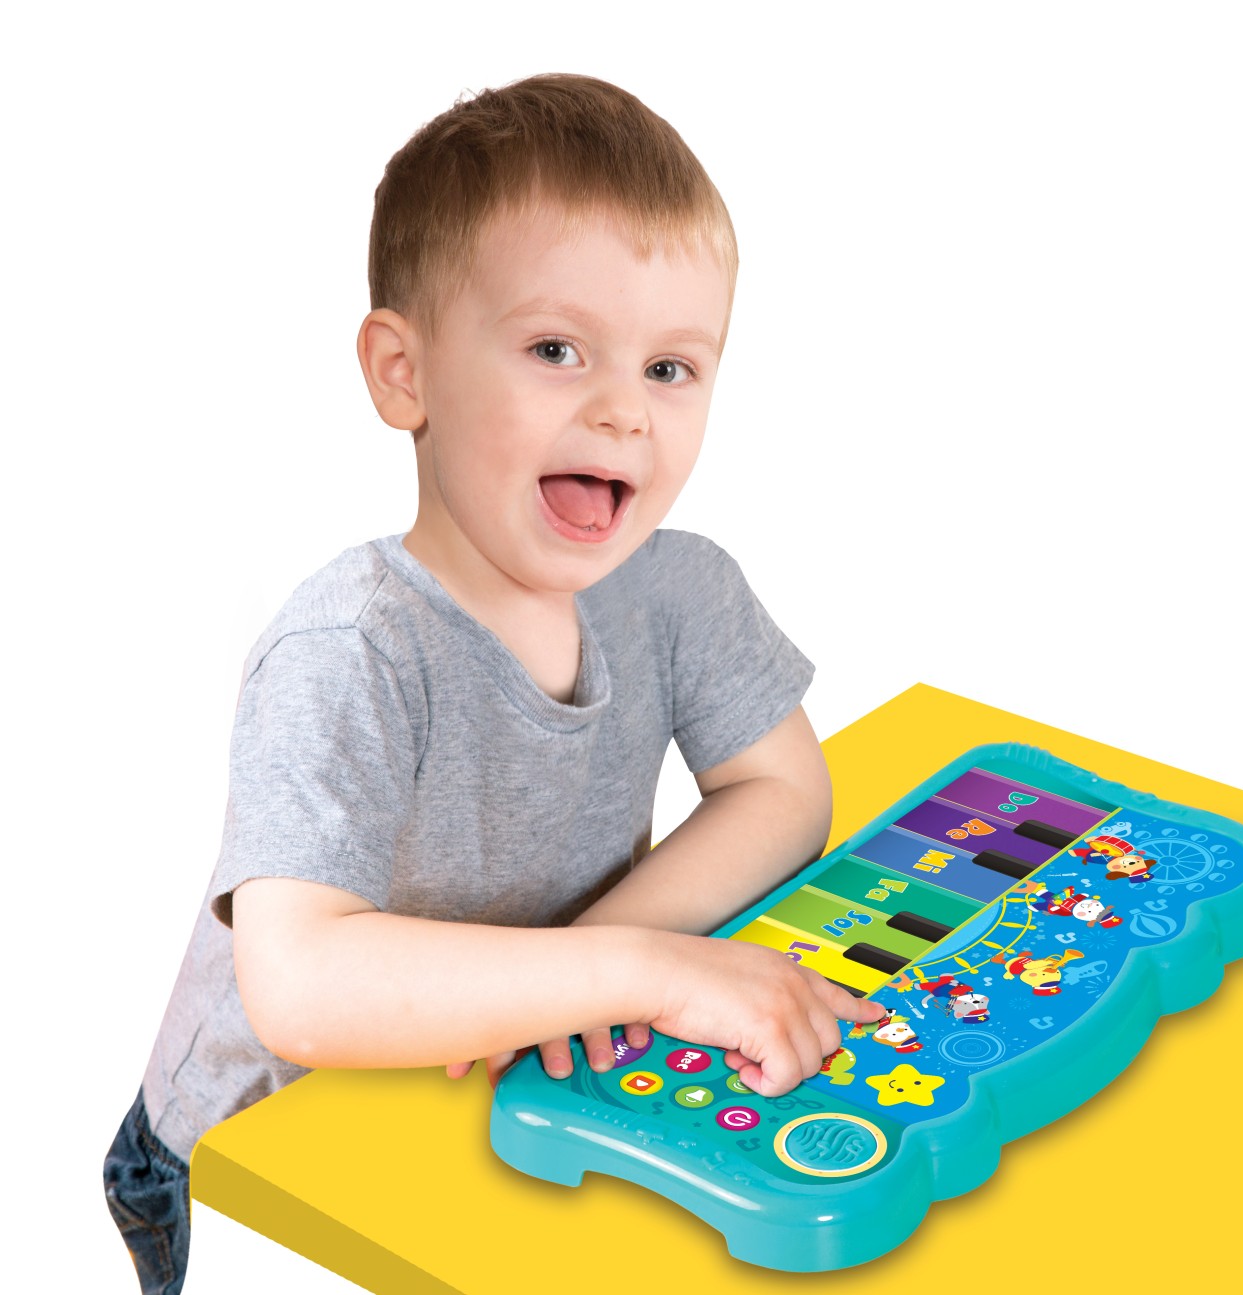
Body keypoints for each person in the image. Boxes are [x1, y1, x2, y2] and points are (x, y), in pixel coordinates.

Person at [103, 74, 885, 1293]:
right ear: (403, 373)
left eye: (670, 367)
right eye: (556, 349)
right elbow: (300, 983)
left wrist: (591, 957)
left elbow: (783, 786)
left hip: (491, 1096)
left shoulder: (678, 587)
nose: (623, 412)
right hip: (260, 1152)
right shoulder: (348, 649)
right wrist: (640, 973)